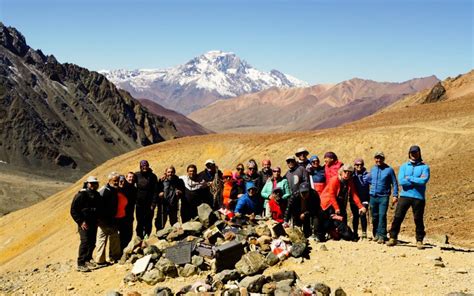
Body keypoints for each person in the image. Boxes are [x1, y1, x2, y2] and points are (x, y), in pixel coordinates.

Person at [387, 146, 430, 249]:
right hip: (405, 196)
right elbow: (401, 181)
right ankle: (393, 237)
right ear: (409, 153)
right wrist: (416, 180)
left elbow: (423, 181)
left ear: (419, 153)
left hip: (419, 197)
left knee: (418, 219)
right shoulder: (404, 166)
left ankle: (419, 240)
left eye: (416, 152)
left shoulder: (425, 167)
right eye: (412, 152)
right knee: (398, 217)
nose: (414, 154)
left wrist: (409, 178)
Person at [319, 165, 366, 241]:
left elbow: (354, 194)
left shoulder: (349, 181)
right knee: (328, 221)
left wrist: (360, 206)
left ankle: (338, 235)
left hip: (339, 202)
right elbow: (331, 195)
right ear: (341, 172)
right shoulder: (334, 180)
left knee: (341, 220)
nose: (347, 174)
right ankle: (326, 234)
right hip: (328, 204)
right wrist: (336, 208)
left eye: (349, 172)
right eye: (345, 172)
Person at [70, 176, 100, 272]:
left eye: (95, 183)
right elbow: (73, 210)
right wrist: (80, 221)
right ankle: (81, 263)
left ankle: (88, 259)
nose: (93, 185)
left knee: (92, 242)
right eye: (91, 183)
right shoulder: (81, 195)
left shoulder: (97, 194)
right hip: (84, 223)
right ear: (87, 183)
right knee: (85, 242)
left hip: (94, 222)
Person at [369, 152, 398, 244]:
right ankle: (376, 234)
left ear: (383, 159)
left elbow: (394, 183)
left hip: (383, 197)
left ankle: (382, 235)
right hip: (373, 196)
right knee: (374, 216)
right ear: (374, 159)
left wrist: (395, 195)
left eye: (380, 158)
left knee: (382, 216)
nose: (378, 160)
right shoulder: (373, 169)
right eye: (377, 158)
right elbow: (369, 182)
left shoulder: (389, 170)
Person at [96, 172, 121, 265]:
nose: (116, 182)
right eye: (115, 181)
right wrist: (99, 219)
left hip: (112, 219)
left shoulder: (114, 190)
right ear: (109, 180)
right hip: (103, 220)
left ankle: (115, 257)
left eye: (117, 181)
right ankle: (100, 260)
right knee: (102, 240)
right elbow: (97, 205)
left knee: (115, 238)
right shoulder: (103, 191)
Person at [135, 160, 160, 239]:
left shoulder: (153, 176)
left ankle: (147, 236)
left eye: (146, 165)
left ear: (148, 166)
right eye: (143, 166)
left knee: (148, 221)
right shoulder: (137, 175)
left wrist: (153, 203)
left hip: (149, 204)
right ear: (140, 167)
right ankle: (139, 237)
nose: (144, 167)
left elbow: (156, 191)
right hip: (139, 204)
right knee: (139, 221)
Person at [155, 166, 185, 230]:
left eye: (172, 172)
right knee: (161, 222)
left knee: (174, 221)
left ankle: (175, 236)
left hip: (173, 205)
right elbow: (156, 191)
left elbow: (182, 190)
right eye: (168, 172)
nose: (170, 173)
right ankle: (160, 236)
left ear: (174, 172)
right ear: (166, 173)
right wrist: (159, 193)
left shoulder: (178, 181)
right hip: (163, 205)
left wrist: (179, 192)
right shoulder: (161, 181)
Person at [352, 158, 371, 240]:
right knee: (355, 216)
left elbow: (373, 183)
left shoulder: (368, 174)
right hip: (353, 198)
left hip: (364, 198)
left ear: (363, 165)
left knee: (362, 214)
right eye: (357, 165)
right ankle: (355, 232)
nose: (359, 166)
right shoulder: (352, 175)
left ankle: (364, 233)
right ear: (354, 166)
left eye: (361, 165)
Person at [116, 173, 136, 251]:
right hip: (118, 216)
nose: (122, 182)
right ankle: (116, 253)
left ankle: (125, 251)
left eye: (123, 181)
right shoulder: (116, 190)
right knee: (117, 236)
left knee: (128, 234)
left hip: (128, 215)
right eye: (120, 181)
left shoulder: (132, 189)